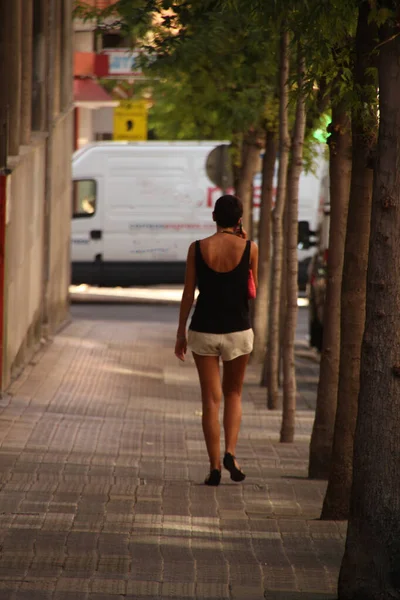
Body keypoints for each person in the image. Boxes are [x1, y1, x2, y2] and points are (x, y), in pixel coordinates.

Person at [174, 194, 258, 486]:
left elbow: (188, 293)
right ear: (239, 220)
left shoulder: (196, 248)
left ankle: (213, 467)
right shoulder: (250, 248)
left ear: (214, 217)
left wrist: (180, 333)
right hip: (238, 329)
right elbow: (251, 290)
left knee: (211, 399)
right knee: (233, 394)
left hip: (204, 330)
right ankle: (231, 453)